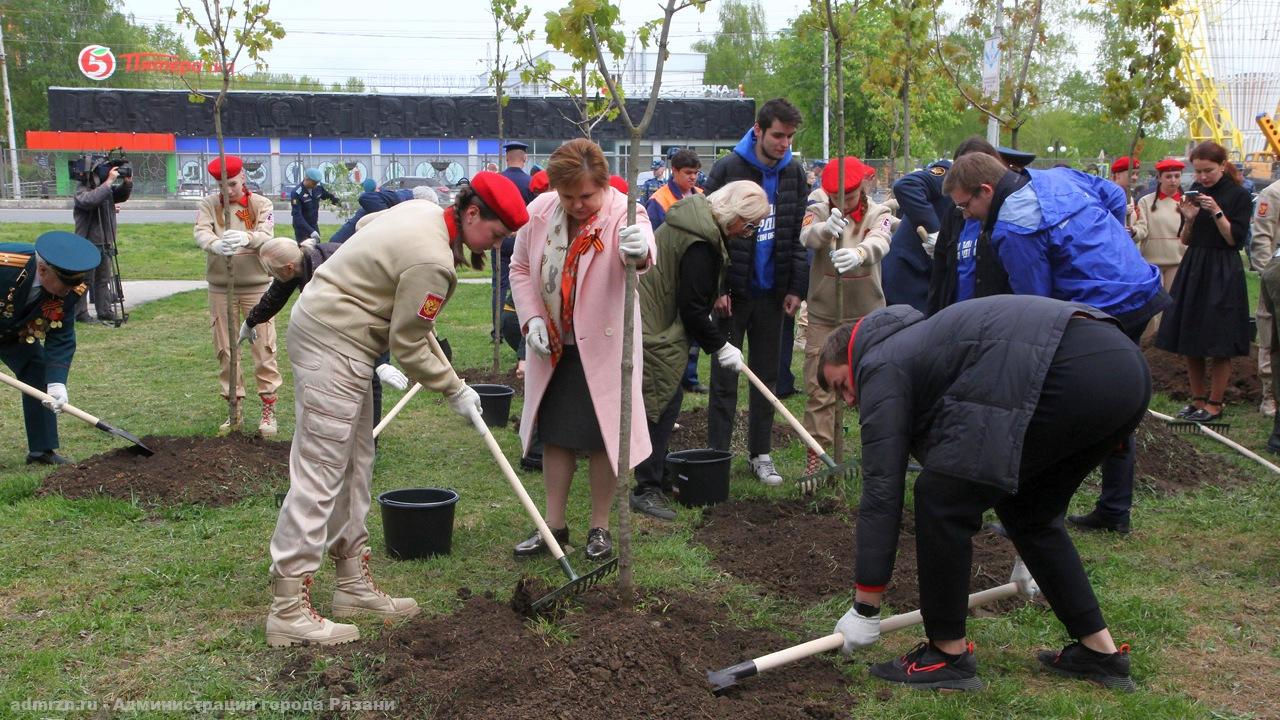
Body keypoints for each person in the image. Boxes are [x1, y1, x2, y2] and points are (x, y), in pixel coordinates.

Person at [823, 295, 1146, 693]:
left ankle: (946, 655)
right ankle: (1101, 654)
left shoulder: (880, 362)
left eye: (841, 386)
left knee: (940, 498)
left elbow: (881, 488)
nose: (849, 400)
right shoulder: (920, 342)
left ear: (850, 355)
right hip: (1122, 366)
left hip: (1068, 369)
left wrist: (866, 604)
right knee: (1030, 513)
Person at [265, 172, 529, 648]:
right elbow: (407, 344)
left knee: (355, 463)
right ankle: (287, 610)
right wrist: (453, 388)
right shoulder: (433, 259)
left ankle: (351, 584)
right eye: (495, 235)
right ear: (472, 214)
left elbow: (369, 232)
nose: (495, 246)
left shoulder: (424, 212)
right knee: (322, 470)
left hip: (343, 337)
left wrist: (453, 379)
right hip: (333, 340)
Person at [942, 151, 1169, 535]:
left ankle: (1036, 513)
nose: (964, 215)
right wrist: (1110, 242)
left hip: (1105, 309)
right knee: (1118, 406)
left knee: (1055, 408)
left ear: (986, 190)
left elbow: (1038, 308)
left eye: (966, 205)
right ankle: (1114, 509)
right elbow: (1114, 197)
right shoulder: (1056, 178)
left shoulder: (1013, 228)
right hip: (1142, 289)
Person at [509, 138, 655, 561]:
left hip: (605, 349)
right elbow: (520, 267)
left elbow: (646, 247)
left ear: (603, 185)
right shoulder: (538, 213)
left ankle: (600, 528)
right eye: (567, 195)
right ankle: (553, 527)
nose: (576, 204)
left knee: (601, 438)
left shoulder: (625, 213)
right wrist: (532, 317)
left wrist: (640, 249)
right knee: (555, 436)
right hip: (553, 345)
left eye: (586, 195)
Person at [633, 181, 770, 520]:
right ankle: (645, 488)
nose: (749, 234)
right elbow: (693, 308)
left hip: (659, 317)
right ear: (733, 215)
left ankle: (658, 472)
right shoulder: (700, 242)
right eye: (749, 225)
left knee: (668, 398)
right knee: (660, 401)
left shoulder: (699, 223)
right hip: (655, 324)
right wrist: (722, 347)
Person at [703, 98, 809, 486]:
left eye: (790, 137)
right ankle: (716, 453)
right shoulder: (729, 168)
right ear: (759, 130)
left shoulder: (794, 174)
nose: (784, 144)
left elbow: (797, 232)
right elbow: (707, 230)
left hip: (773, 294)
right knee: (725, 375)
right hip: (733, 294)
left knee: (766, 377)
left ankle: (760, 453)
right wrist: (717, 286)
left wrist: (797, 285)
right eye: (778, 135)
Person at [242, 238, 410, 425]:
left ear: (288, 268)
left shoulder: (328, 275)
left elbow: (364, 316)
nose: (267, 274)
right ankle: (346, 435)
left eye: (270, 270)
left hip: (376, 308)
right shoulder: (299, 263)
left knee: (369, 376)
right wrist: (250, 322)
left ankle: (369, 442)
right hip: (347, 318)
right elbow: (275, 297)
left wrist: (381, 362)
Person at [798, 156, 892, 474]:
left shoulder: (880, 213)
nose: (843, 201)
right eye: (837, 196)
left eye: (849, 196)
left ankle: (877, 456)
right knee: (818, 385)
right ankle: (818, 456)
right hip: (825, 314)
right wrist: (825, 230)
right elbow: (806, 236)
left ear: (862, 189)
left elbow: (881, 239)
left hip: (867, 317)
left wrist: (859, 253)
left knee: (873, 387)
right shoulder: (818, 208)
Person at [1154, 141, 1253, 425]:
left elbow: (1234, 240)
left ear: (1223, 166)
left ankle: (1215, 403)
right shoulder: (1195, 194)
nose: (1202, 177)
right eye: (1197, 172)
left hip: (1223, 268)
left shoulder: (1238, 197)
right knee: (1191, 335)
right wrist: (1189, 219)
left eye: (1208, 171)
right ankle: (1197, 400)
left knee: (1220, 337)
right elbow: (1185, 239)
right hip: (1194, 266)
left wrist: (1217, 212)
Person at [194, 155, 283, 437]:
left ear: (242, 178)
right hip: (221, 287)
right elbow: (201, 232)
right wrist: (215, 245)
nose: (227, 190)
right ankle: (234, 408)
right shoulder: (209, 204)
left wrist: (248, 238)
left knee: (263, 347)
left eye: (231, 184)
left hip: (256, 286)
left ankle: (268, 408)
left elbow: (267, 232)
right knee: (226, 348)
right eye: (221, 185)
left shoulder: (261, 204)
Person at [0, 232, 101, 465]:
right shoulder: (6, 263)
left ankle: (41, 450)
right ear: (43, 270)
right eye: (65, 283)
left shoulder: (71, 289)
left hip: (13, 333)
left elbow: (61, 335)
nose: (70, 289)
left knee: (38, 371)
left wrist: (56, 383)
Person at [645, 149, 707, 394]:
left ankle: (689, 377)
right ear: (675, 172)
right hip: (669, 273)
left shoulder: (702, 196)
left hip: (695, 269)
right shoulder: (659, 200)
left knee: (693, 323)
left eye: (696, 173)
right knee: (670, 327)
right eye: (688, 173)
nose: (693, 178)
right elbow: (652, 237)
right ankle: (669, 376)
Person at [926, 137, 1005, 315]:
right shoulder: (956, 211)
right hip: (956, 315)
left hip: (992, 318)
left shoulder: (1008, 219)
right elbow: (940, 271)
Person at [883, 158, 952, 312]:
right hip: (907, 276)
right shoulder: (948, 177)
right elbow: (906, 185)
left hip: (930, 279)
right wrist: (934, 231)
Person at [1132, 158, 1187, 340]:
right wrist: (1133, 232)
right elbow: (1142, 228)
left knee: (1172, 304)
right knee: (1153, 307)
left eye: (1177, 176)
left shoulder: (1186, 202)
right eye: (1169, 176)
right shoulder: (1146, 202)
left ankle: (1168, 342)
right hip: (1152, 261)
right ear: (1159, 177)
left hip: (1177, 260)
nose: (1173, 180)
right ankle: (1148, 343)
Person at [72, 158, 131, 323]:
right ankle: (80, 313)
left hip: (105, 240)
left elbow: (118, 196)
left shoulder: (103, 189)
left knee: (104, 278)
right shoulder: (82, 190)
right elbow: (89, 200)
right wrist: (109, 182)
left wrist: (126, 183)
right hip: (88, 241)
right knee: (85, 280)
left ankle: (104, 311)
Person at [329, 185, 435, 244]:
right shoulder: (399, 199)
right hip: (342, 244)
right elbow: (365, 197)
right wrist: (389, 219)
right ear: (420, 201)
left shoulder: (405, 201)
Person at [1255, 179, 1280, 418]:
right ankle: (1269, 394)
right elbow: (1262, 236)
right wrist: (1266, 272)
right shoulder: (1273, 193)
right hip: (1276, 275)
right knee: (1270, 334)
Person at [290, 168, 339, 243]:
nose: (315, 185)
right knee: (305, 249)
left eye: (316, 183)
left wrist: (341, 203)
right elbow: (297, 215)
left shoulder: (318, 188)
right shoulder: (296, 193)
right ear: (306, 179)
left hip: (313, 223)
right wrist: (311, 231)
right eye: (313, 183)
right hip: (302, 227)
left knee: (317, 248)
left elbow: (328, 197)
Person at [1110, 156, 1140, 231]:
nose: (1135, 177)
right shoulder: (1108, 195)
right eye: (1132, 173)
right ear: (1118, 175)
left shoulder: (1129, 197)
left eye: (1137, 174)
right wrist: (1119, 212)